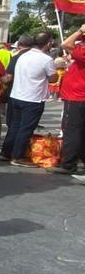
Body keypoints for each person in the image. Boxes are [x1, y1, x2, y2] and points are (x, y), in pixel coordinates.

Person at [0, 31, 59, 167]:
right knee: (26, 128)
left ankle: (6, 152)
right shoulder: (46, 59)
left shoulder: (21, 55)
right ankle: (17, 156)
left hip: (16, 95)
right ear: (49, 43)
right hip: (33, 98)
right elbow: (53, 78)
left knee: (14, 126)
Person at [47, 24, 85, 176]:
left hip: (77, 96)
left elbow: (65, 44)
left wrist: (80, 31)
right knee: (81, 131)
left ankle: (68, 164)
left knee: (72, 131)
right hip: (79, 95)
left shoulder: (82, 52)